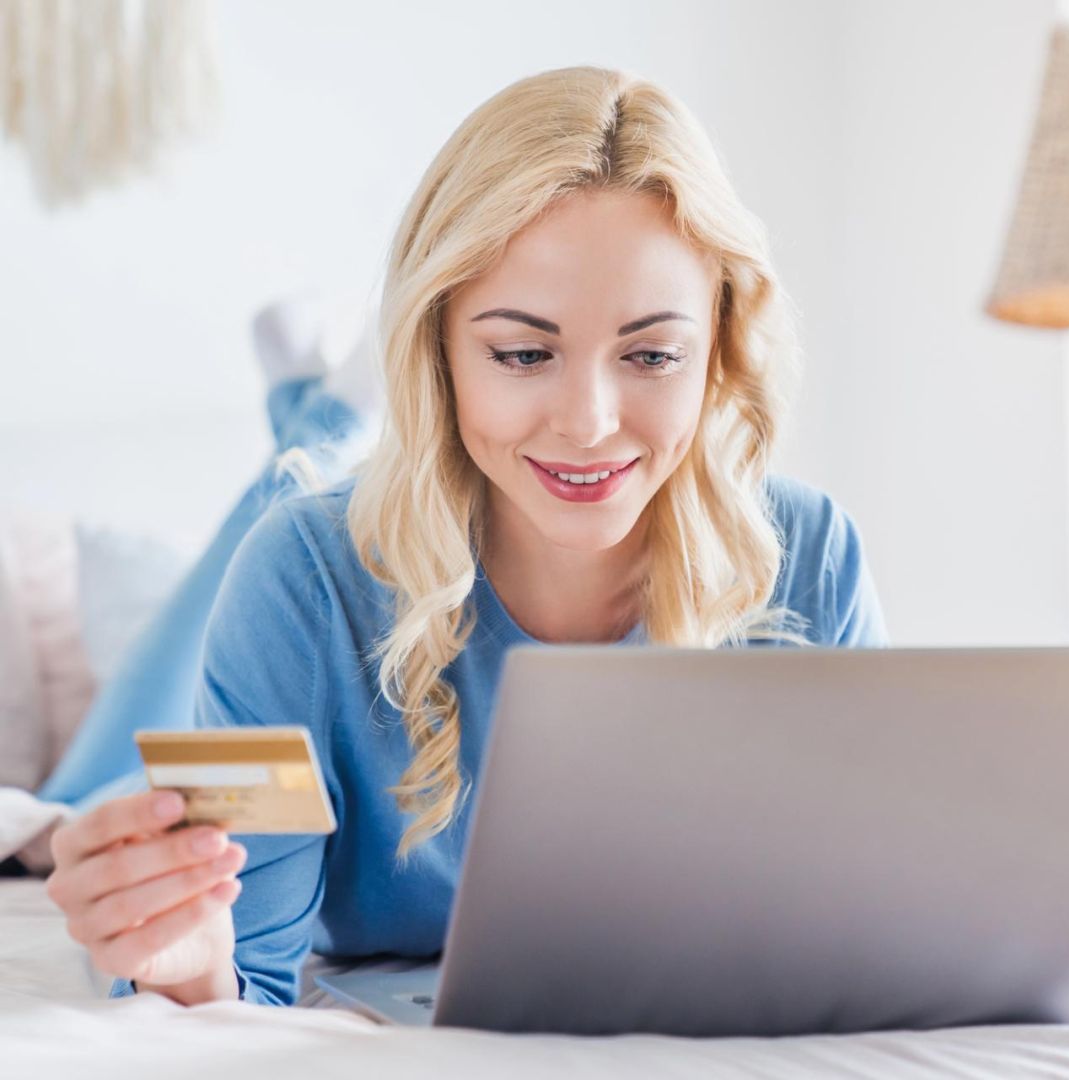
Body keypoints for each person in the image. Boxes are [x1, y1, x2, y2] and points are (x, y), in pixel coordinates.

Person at [40, 66, 887, 1008]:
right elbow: (236, 989)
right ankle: (312, 419)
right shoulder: (301, 579)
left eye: (651, 354)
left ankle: (310, 414)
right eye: (523, 354)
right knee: (80, 790)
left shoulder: (808, 556)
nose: (589, 422)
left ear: (718, 349)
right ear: (436, 349)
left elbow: (861, 931)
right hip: (230, 654)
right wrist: (181, 954)